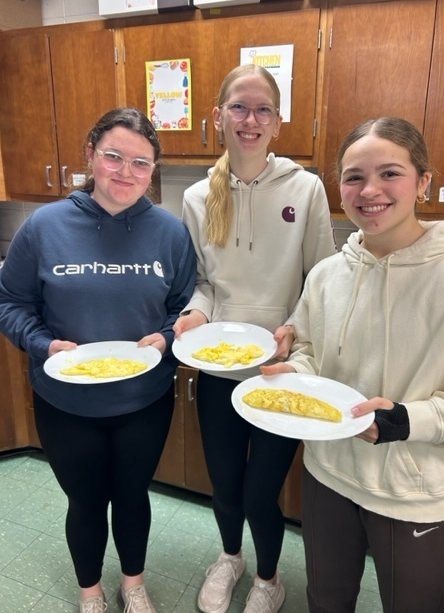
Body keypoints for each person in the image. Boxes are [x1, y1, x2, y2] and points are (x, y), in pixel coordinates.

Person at [262, 116, 444, 613]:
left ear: (423, 181)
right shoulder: (326, 275)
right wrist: (292, 375)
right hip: (329, 474)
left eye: (390, 173)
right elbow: (310, 352)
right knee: (327, 600)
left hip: (414, 493)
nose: (370, 190)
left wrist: (403, 420)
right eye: (355, 176)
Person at [0, 107, 197, 613]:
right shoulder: (45, 227)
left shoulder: (170, 233)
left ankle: (133, 585)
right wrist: (44, 345)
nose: (126, 172)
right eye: (114, 156)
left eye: (141, 163)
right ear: (90, 154)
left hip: (143, 399)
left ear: (154, 171)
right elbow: (10, 303)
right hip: (65, 400)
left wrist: (171, 335)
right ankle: (91, 594)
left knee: (133, 497)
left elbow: (185, 308)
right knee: (85, 501)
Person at [173, 64, 336, 613]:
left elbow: (321, 278)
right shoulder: (197, 197)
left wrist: (294, 328)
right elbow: (200, 283)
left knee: (260, 492)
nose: (250, 119)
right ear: (217, 117)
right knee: (225, 488)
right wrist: (195, 316)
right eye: (239, 107)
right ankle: (230, 558)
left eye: (262, 108)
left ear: (278, 121)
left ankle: (268, 579)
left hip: (277, 370)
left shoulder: (306, 188)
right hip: (218, 369)